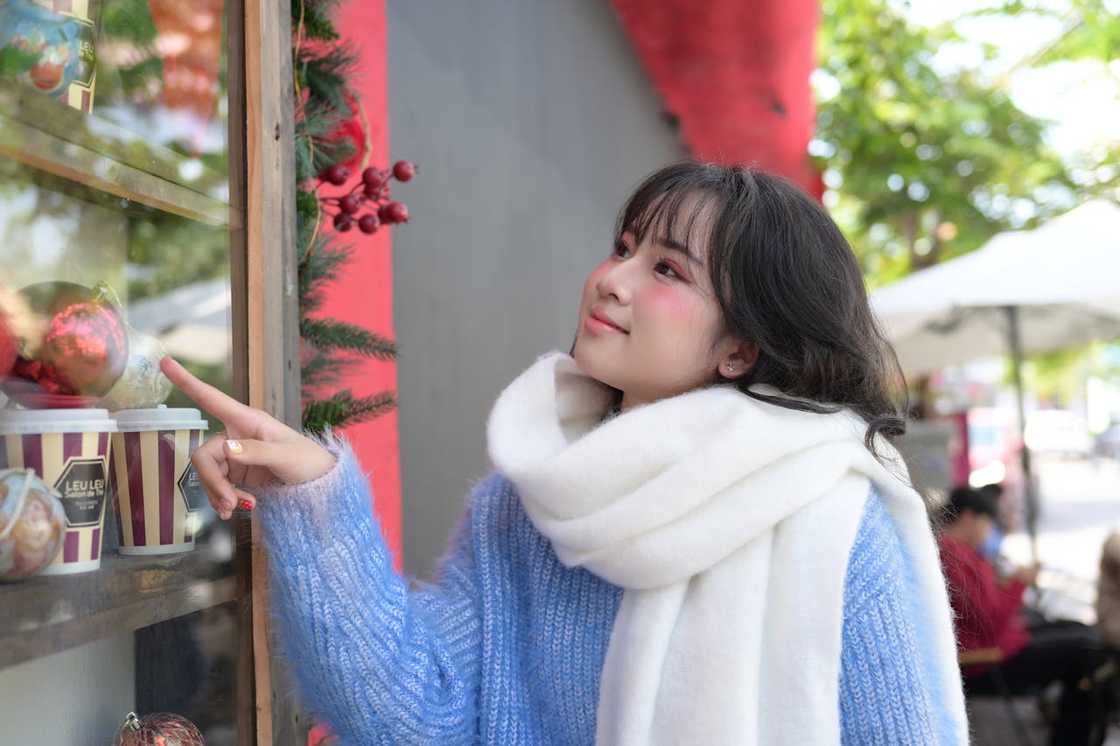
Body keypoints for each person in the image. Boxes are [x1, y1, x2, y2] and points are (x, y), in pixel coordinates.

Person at [161, 162, 969, 745]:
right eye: (622, 247)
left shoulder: (830, 518)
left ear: (740, 348)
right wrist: (313, 499)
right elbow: (420, 720)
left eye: (666, 269)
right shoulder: (522, 508)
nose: (611, 279)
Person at [939, 486, 1109, 745]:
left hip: (1001, 644)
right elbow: (988, 621)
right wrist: (1020, 583)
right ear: (969, 517)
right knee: (1086, 650)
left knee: (1080, 632)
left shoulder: (958, 553)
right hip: (988, 661)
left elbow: (984, 607)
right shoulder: (953, 556)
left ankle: (1070, 725)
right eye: (987, 522)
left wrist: (1009, 584)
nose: (988, 531)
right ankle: (1070, 736)